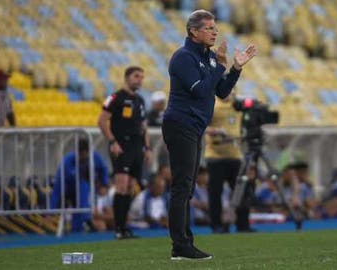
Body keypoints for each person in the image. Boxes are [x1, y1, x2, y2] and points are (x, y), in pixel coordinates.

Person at [161, 9, 256, 260]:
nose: (215, 32)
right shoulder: (183, 57)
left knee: (187, 187)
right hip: (180, 124)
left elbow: (222, 92)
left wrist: (235, 68)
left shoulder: (208, 58)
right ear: (193, 31)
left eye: (215, 28)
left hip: (193, 127)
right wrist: (221, 65)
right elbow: (200, 90)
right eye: (209, 28)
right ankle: (180, 245)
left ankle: (183, 243)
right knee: (182, 186)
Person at [97, 66, 152, 239]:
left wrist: (147, 148)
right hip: (121, 145)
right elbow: (101, 121)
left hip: (136, 146)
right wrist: (113, 141)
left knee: (130, 187)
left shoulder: (140, 100)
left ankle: (125, 227)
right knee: (121, 185)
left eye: (142, 77)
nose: (140, 80)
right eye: (136, 76)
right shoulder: (114, 98)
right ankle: (118, 228)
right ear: (127, 77)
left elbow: (144, 127)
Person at [205, 95, 254, 233]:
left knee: (241, 191)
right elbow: (201, 125)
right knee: (215, 193)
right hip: (215, 156)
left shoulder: (238, 106)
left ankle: (243, 224)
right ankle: (217, 225)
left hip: (235, 156)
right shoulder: (212, 105)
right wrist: (214, 131)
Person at [50, 139, 109, 232]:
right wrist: (53, 207)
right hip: (69, 190)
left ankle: (84, 223)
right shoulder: (67, 162)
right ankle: (83, 223)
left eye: (86, 153)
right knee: (81, 189)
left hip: (85, 192)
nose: (83, 156)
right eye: (81, 154)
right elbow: (58, 186)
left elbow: (104, 169)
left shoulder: (95, 157)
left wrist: (104, 185)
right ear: (77, 152)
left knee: (84, 189)